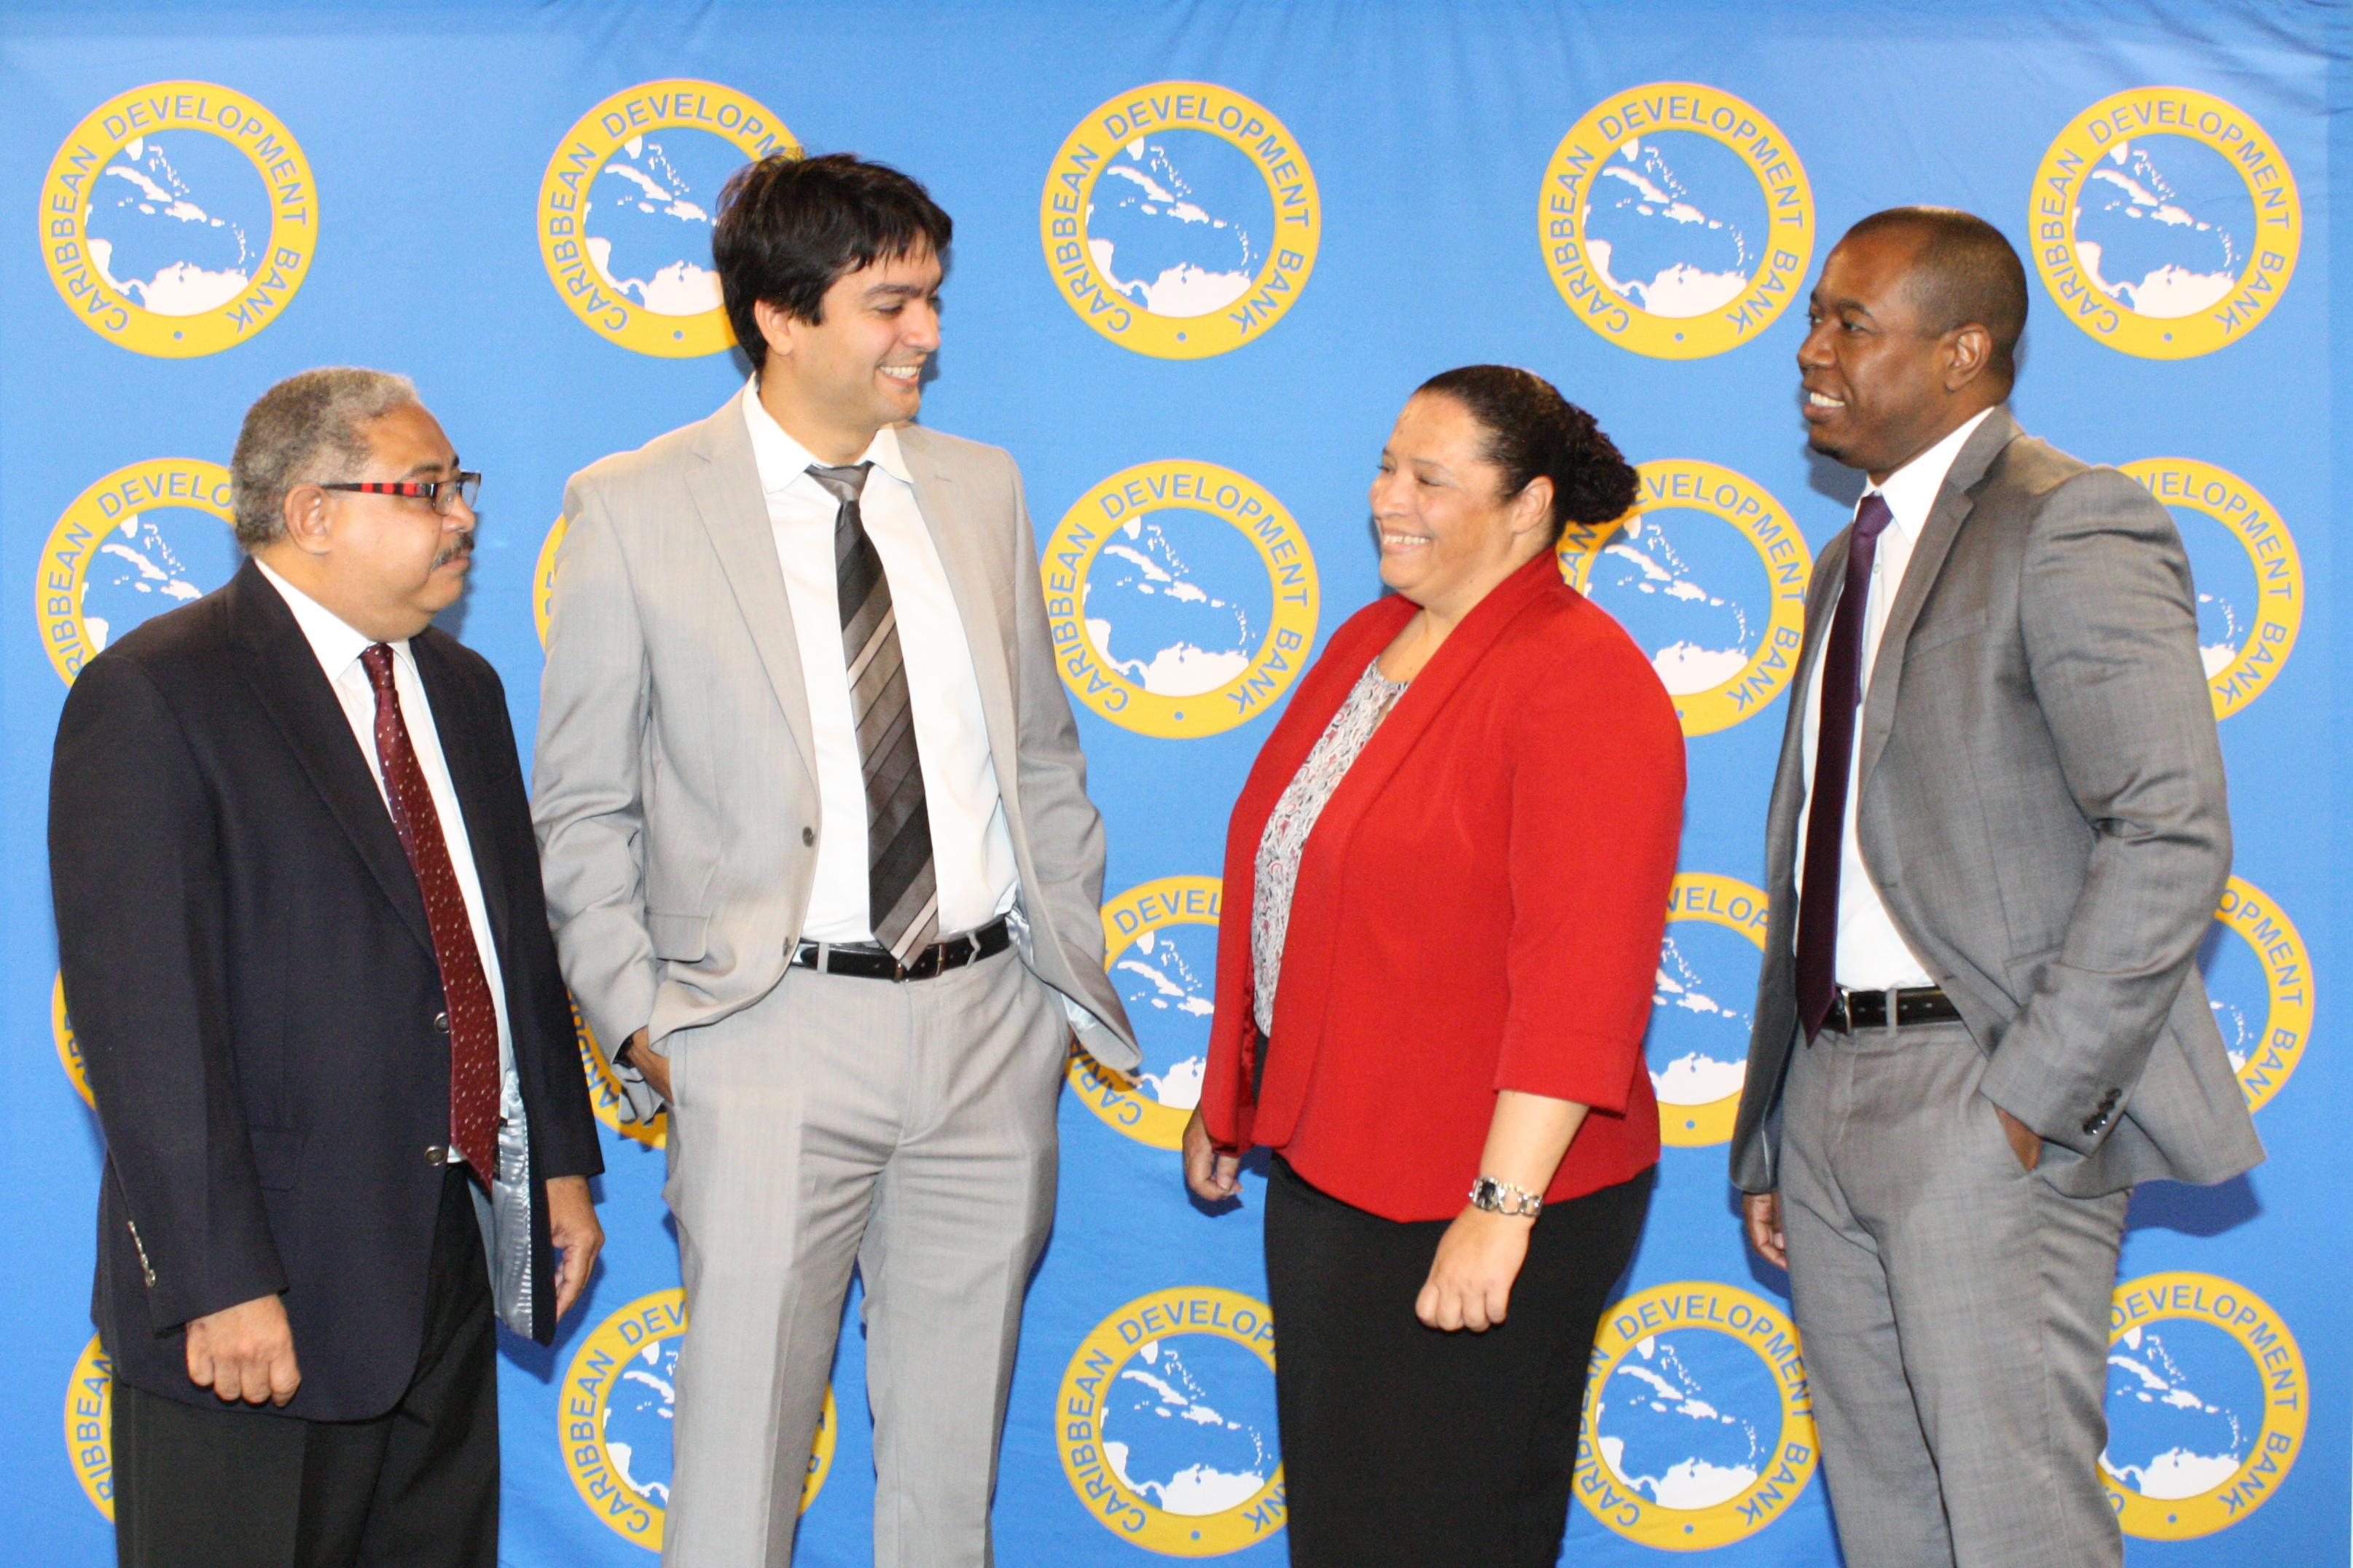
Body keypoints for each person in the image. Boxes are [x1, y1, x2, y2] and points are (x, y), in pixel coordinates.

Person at [533, 152, 1138, 1568]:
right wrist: (653, 1024)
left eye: (930, 296)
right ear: (777, 316)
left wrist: (1058, 989)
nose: (926, 330)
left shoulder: (980, 488)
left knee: (946, 1485)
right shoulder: (633, 503)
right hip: (766, 1032)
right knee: (736, 1476)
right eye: (889, 301)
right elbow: (579, 805)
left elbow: (1039, 754)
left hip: (991, 1029)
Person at [1729, 208, 2263, 1568]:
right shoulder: (1844, 558)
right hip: (1831, 1101)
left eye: (1851, 321)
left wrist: (2029, 1099)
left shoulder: (2068, 517)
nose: (1811, 350)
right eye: (1813, 317)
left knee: (2017, 1532)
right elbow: (1825, 862)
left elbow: (2169, 829)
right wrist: (1779, 1120)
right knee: (1891, 1532)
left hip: (1980, 1096)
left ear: (1964, 351)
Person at [50, 368, 606, 1568]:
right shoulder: (156, 693)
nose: (463, 515)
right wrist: (218, 1282)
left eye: (461, 488)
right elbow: (147, 1030)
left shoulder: (462, 689)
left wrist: (555, 1162)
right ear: (312, 513)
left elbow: (508, 944)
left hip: (442, 1262)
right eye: (427, 489)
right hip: (261, 1297)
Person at [1182, 365, 1683, 1567]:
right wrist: (1236, 1095)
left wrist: (1499, 1212)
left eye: (1427, 478)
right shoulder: (1372, 639)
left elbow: (1584, 983)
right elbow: (1296, 878)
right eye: (1385, 465)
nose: (1384, 498)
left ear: (1527, 507)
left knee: (1454, 1534)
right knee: (1352, 1536)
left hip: (1483, 1198)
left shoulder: (1582, 676)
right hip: (1333, 1175)